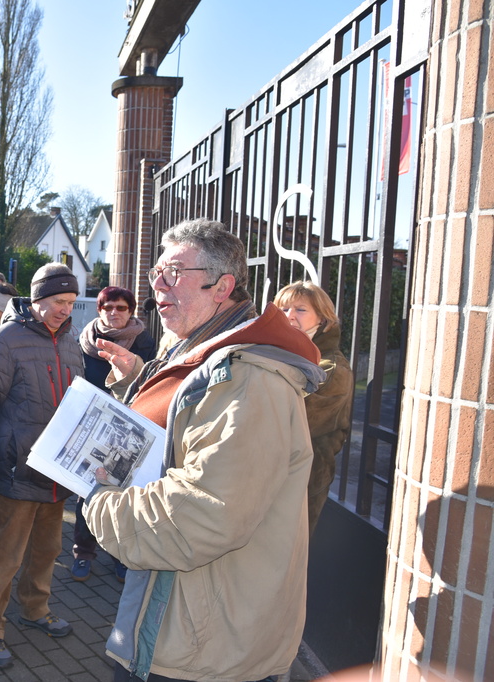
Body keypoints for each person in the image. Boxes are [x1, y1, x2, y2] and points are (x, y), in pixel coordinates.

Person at [82, 219, 326, 682]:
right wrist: (140, 382)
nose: (157, 283)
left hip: (207, 645)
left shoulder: (249, 379)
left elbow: (202, 514)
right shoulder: (203, 348)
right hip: (185, 618)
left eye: (174, 272)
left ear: (223, 287)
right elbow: (186, 434)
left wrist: (99, 503)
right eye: (156, 271)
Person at [0, 262, 85, 669]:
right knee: (4, 556)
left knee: (47, 550)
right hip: (16, 475)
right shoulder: (4, 341)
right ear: (36, 301)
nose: (65, 310)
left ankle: (35, 609)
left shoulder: (71, 343)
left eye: (70, 302)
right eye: (57, 301)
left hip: (56, 475)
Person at [71, 285, 157, 582]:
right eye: (108, 308)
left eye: (121, 308)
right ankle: (83, 551)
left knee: (123, 494)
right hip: (91, 425)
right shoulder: (83, 343)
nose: (114, 313)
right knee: (87, 492)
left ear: (131, 311)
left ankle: (120, 555)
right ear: (99, 310)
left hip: (129, 427)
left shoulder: (146, 343)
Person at [274, 280, 354, 535]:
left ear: (323, 319)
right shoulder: (281, 351)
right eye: (284, 309)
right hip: (271, 472)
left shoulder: (331, 369)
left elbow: (291, 421)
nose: (290, 316)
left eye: (300, 309)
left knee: (286, 556)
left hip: (303, 479)